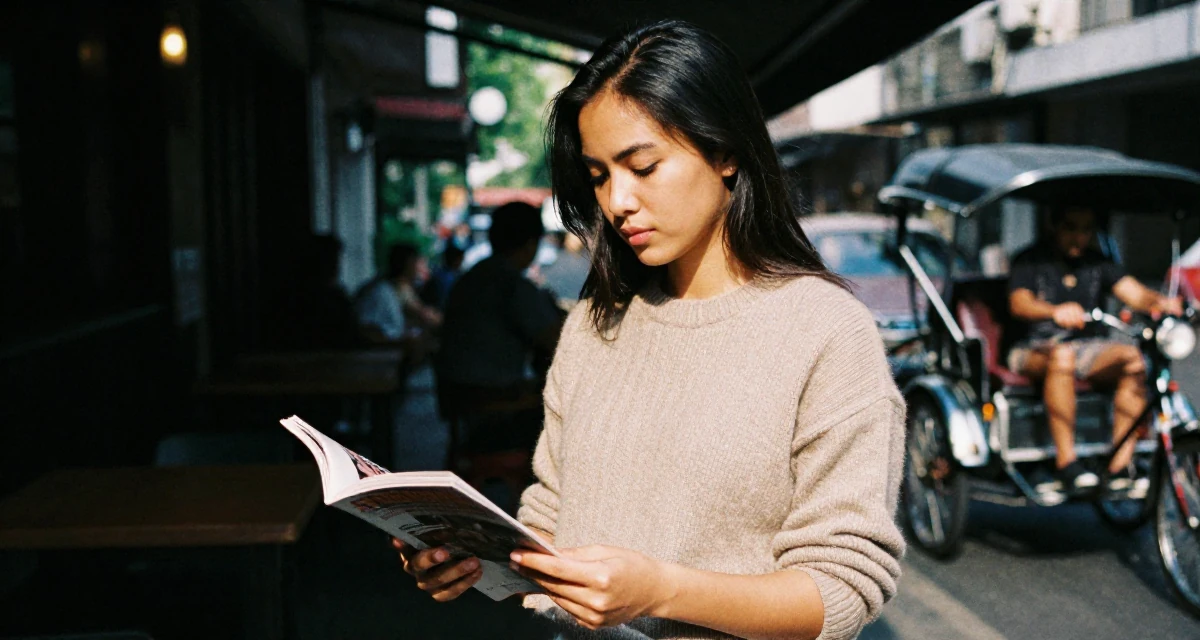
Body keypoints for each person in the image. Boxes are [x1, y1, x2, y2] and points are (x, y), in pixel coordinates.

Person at [394, 21, 904, 640]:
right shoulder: (593, 323)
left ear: (726, 153)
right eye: (600, 176)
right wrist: (478, 556)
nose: (618, 202)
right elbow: (554, 512)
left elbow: (841, 590)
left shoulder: (826, 331)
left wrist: (663, 590)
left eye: (643, 166)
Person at [1007, 205, 1183, 491]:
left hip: (1088, 349)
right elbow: (1019, 303)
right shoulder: (1029, 260)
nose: (1079, 237)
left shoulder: (1098, 262)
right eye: (1071, 227)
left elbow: (1136, 293)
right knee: (1063, 357)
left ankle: (1118, 466)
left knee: (1133, 360)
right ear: (1054, 226)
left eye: (1087, 229)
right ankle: (1067, 464)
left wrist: (1162, 303)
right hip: (1034, 348)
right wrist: (1054, 311)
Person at [434, 201, 565, 452]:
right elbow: (557, 342)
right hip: (490, 403)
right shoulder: (513, 285)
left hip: (457, 396)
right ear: (531, 243)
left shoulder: (470, 278)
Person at [419, 244, 465, 311]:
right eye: (461, 259)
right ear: (456, 260)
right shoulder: (448, 278)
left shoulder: (439, 274)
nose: (462, 262)